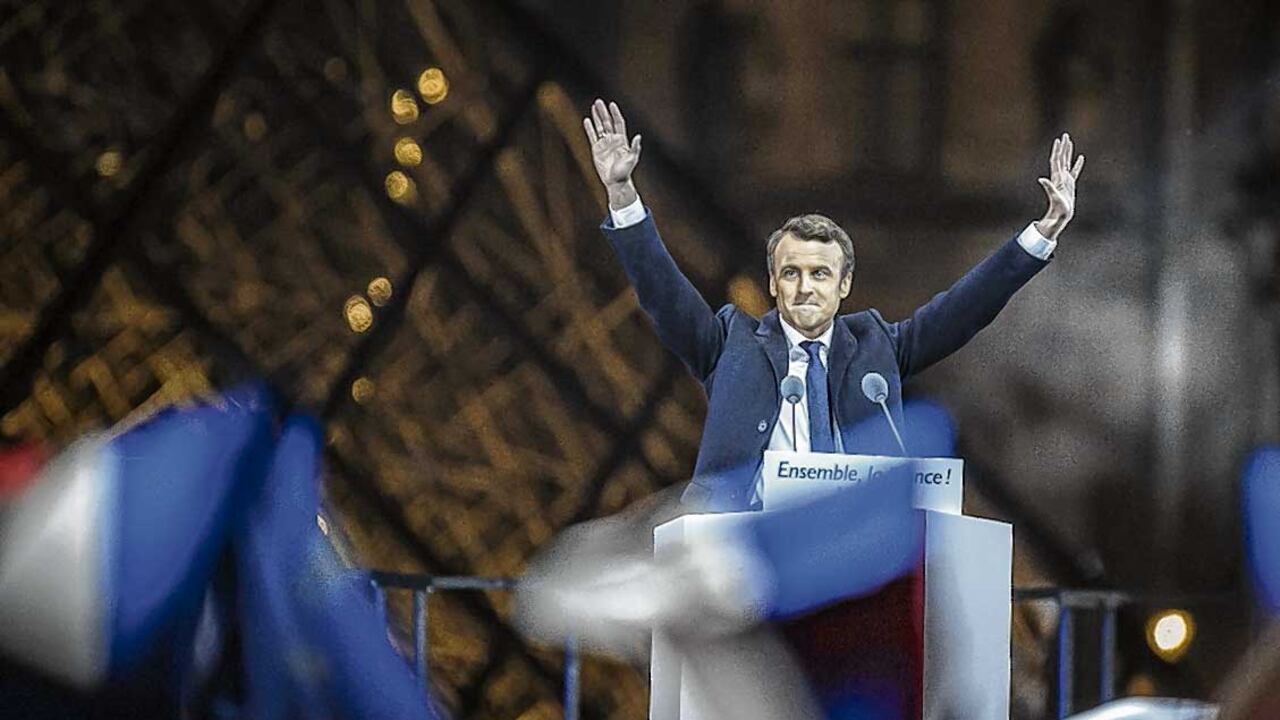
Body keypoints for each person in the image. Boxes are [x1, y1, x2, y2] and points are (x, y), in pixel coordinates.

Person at [583, 99, 1084, 512]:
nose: (805, 287)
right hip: (743, 551)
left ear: (844, 285)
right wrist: (622, 194)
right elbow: (664, 294)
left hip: (847, 555)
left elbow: (964, 308)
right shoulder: (730, 342)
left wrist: (1043, 232)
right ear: (772, 284)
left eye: (820, 273)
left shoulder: (877, 345)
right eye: (791, 273)